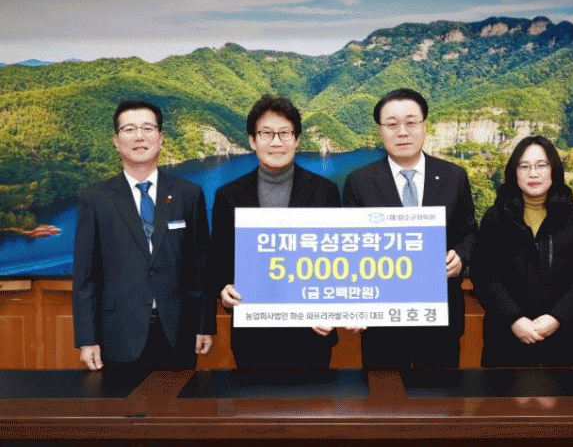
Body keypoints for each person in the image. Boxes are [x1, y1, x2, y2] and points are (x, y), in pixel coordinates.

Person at [73, 100, 214, 370]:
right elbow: (85, 278)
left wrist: (204, 325)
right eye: (129, 129)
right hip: (117, 334)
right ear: (116, 141)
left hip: (178, 332)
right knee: (122, 399)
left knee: (179, 398)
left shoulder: (188, 194)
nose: (139, 136)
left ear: (160, 138)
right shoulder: (96, 198)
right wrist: (87, 339)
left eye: (148, 128)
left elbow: (200, 268)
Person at [342, 88, 478, 368]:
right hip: (382, 321)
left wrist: (461, 256)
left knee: (440, 394)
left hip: (440, 317)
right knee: (384, 394)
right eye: (392, 124)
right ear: (381, 131)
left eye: (411, 122)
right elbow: (350, 247)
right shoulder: (360, 181)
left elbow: (469, 232)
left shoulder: (453, 176)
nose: (402, 132)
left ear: (424, 125)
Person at [210, 95, 341, 369]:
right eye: (266, 134)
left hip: (312, 334)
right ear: (252, 140)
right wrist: (223, 289)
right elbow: (218, 262)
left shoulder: (324, 192)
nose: (276, 142)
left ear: (297, 139)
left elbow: (338, 262)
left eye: (284, 133)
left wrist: (331, 310)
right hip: (253, 337)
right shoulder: (228, 196)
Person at [471, 136, 573, 367]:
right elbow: (484, 276)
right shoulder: (495, 218)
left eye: (541, 165)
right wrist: (514, 319)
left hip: (563, 341)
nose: (533, 174)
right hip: (505, 340)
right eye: (524, 166)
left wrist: (556, 318)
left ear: (554, 170)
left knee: (564, 392)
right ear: (514, 172)